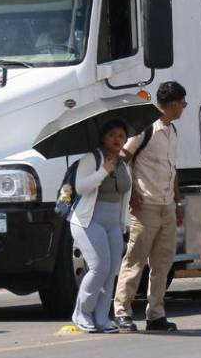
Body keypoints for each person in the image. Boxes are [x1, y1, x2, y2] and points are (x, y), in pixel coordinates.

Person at [113, 81, 186, 332]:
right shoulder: (145, 128)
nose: (184, 108)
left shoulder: (172, 131)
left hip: (166, 205)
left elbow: (171, 169)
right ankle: (122, 312)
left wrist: (177, 201)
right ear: (174, 104)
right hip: (145, 205)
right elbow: (124, 158)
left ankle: (155, 315)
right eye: (183, 104)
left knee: (162, 263)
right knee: (135, 260)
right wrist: (132, 192)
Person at [68, 117, 133, 333]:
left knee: (112, 270)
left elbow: (125, 193)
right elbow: (81, 187)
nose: (117, 139)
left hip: (113, 223)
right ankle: (82, 313)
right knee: (99, 267)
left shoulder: (124, 163)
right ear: (103, 138)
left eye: (121, 136)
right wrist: (104, 170)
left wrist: (125, 224)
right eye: (112, 135)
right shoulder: (92, 159)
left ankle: (102, 317)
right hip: (88, 221)